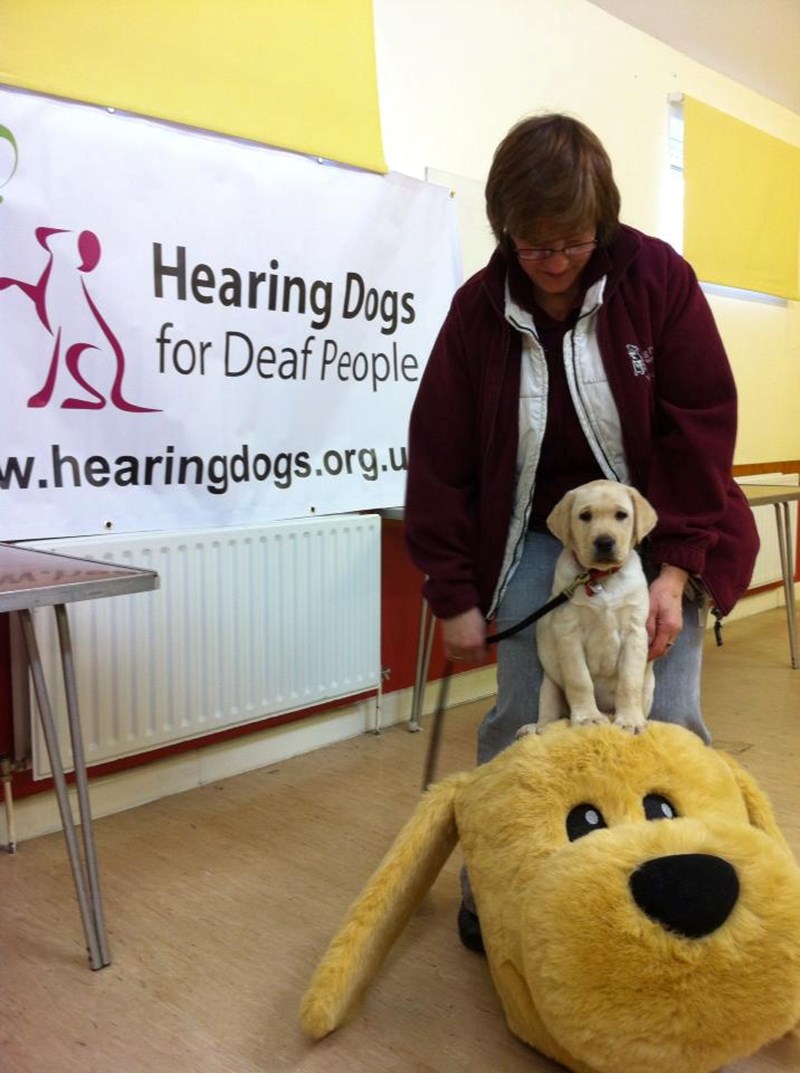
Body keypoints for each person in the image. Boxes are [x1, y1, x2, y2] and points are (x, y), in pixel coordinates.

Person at [403, 113, 759, 953]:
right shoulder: (476, 312)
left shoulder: (658, 279)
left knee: (665, 709)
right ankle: (501, 887)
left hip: (655, 527)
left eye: (572, 241)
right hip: (534, 529)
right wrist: (454, 592)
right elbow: (440, 457)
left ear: (602, 222)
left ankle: (687, 888)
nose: (557, 261)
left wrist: (675, 571)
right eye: (535, 244)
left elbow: (699, 428)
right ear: (504, 229)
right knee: (526, 708)